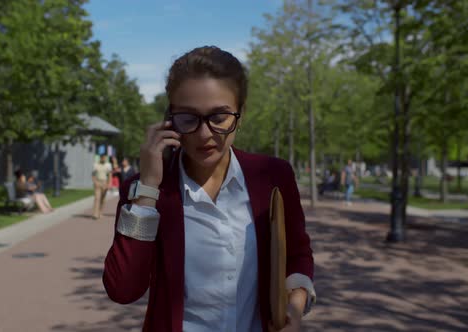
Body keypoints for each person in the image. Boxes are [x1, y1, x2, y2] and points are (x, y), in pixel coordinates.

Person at [103, 46, 315, 332]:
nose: (205, 134)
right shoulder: (147, 190)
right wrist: (147, 191)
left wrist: (294, 306)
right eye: (188, 118)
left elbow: (297, 255)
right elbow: (123, 289)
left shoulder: (272, 176)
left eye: (219, 117)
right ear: (170, 118)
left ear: (241, 113)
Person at [92, 154, 111, 220]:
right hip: (98, 182)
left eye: (104, 158)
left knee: (103, 199)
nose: (103, 159)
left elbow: (109, 175)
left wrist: (108, 184)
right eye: (102, 158)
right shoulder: (96, 165)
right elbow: (93, 175)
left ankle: (100, 212)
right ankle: (95, 214)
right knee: (97, 198)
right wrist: (95, 182)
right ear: (100, 158)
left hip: (104, 182)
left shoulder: (108, 165)